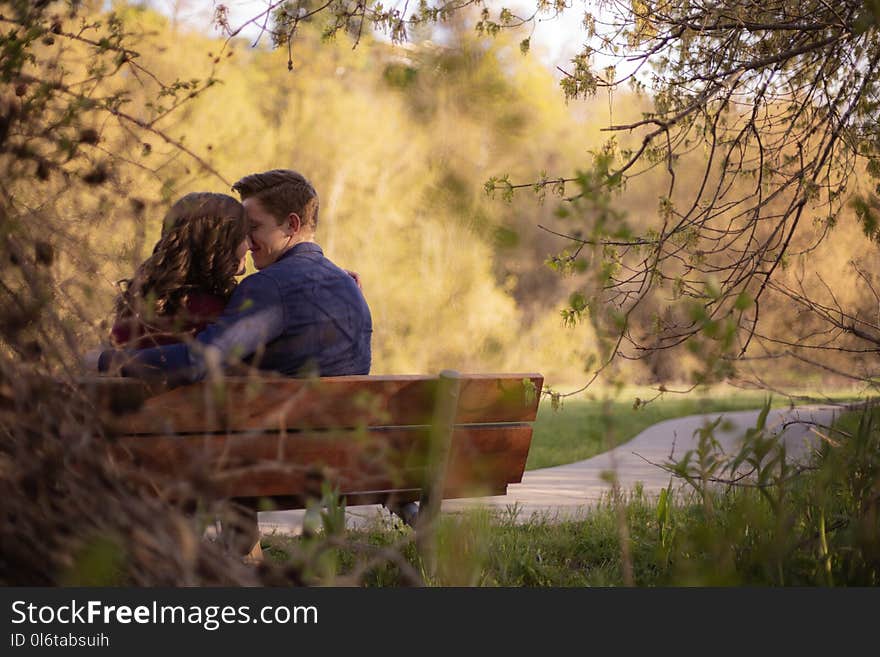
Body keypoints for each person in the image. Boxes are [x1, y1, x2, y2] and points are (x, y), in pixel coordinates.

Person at [98, 169, 372, 382]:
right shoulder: (348, 289)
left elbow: (200, 361)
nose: (248, 241)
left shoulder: (269, 287)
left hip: (277, 446)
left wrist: (105, 362)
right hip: (349, 443)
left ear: (292, 224)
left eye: (253, 227)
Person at [110, 192, 248, 349]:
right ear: (219, 245)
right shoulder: (214, 312)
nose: (248, 246)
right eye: (243, 236)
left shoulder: (139, 298)